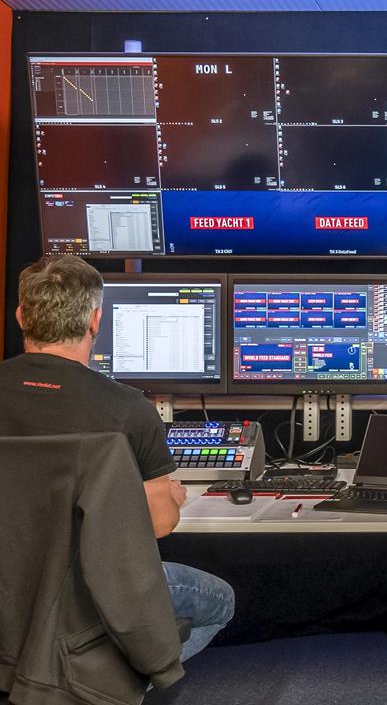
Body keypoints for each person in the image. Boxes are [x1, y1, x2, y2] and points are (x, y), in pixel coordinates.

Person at [0, 256, 235, 665]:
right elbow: (160, 525)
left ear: (21, 317)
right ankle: (110, 681)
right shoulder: (127, 408)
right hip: (89, 587)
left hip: (7, 584)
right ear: (95, 321)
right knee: (220, 600)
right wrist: (171, 498)